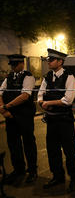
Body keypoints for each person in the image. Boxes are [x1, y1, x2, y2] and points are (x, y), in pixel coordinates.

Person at [38, 49, 75, 193]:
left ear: (60, 62)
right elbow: (40, 94)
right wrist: (41, 101)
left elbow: (68, 100)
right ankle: (58, 176)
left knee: (69, 151)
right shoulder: (47, 76)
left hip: (64, 120)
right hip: (51, 120)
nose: (49, 62)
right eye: (48, 60)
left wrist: (49, 103)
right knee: (53, 151)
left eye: (51, 60)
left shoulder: (69, 77)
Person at [0, 54, 37, 184]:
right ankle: (18, 169)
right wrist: (3, 110)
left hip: (24, 116)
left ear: (22, 63)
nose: (13, 67)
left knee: (28, 144)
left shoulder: (28, 77)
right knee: (13, 144)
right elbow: (0, 93)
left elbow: (25, 96)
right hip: (10, 116)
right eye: (12, 65)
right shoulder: (9, 77)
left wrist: (7, 106)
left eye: (15, 64)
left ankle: (32, 171)